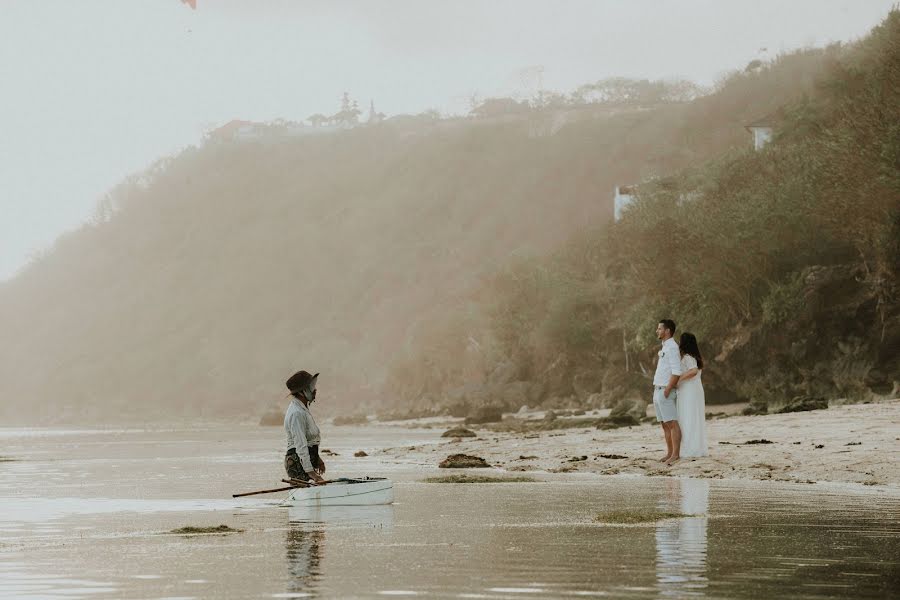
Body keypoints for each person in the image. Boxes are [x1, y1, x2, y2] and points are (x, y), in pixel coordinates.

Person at [284, 370, 326, 484]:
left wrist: (318, 459)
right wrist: (311, 473)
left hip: (305, 461)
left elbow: (309, 440)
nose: (315, 390)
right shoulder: (296, 413)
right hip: (298, 464)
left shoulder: (302, 408)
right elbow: (300, 444)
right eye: (311, 387)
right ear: (303, 391)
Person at [653, 319, 683, 465]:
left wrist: (667, 389)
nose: (657, 331)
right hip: (657, 389)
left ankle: (676, 454)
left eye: (659, 329)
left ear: (667, 331)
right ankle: (669, 453)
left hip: (665, 390)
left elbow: (677, 372)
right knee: (664, 424)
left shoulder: (672, 347)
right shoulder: (664, 346)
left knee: (672, 423)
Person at [676, 333, 708, 457]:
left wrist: (679, 379)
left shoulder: (688, 357)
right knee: (695, 418)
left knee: (688, 418)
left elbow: (693, 371)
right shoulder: (696, 356)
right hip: (696, 389)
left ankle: (691, 449)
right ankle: (697, 447)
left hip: (689, 390)